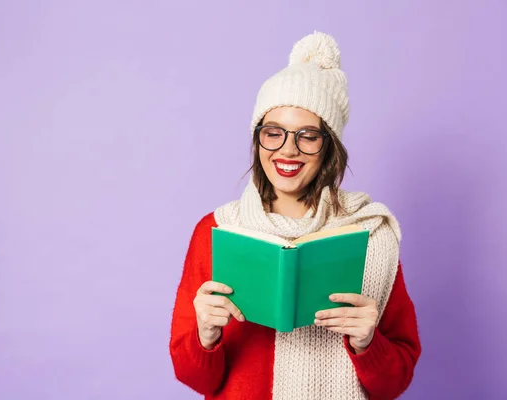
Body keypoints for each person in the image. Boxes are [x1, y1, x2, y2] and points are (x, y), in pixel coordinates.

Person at [169, 31, 421, 400]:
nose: (288, 150)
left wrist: (368, 343)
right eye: (273, 133)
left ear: (328, 146)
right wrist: (205, 336)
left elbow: (394, 383)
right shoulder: (217, 230)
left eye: (307, 135)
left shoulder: (371, 236)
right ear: (257, 141)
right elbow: (195, 379)